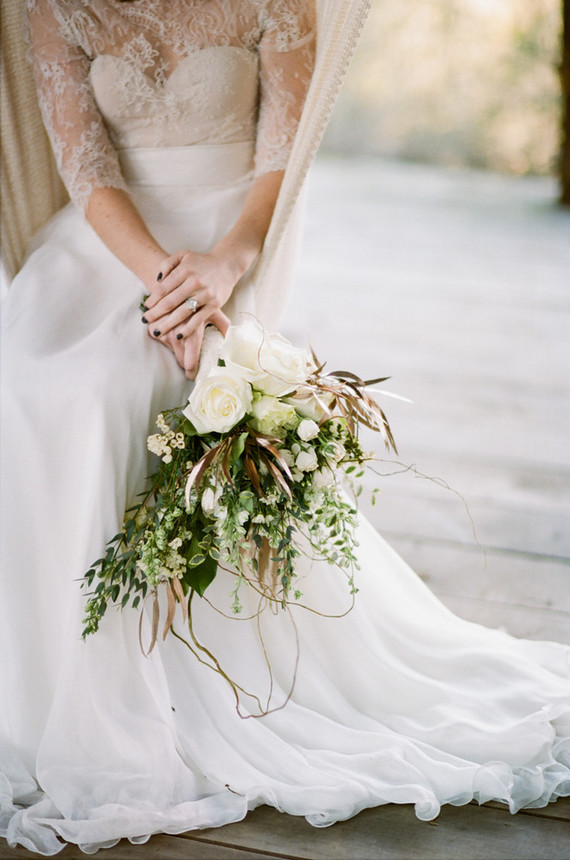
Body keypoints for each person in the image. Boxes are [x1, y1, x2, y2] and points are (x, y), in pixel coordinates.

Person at [1, 1, 568, 855]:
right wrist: (166, 283)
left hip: (231, 233)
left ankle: (171, 683)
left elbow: (281, 162)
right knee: (45, 380)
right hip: (114, 245)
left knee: (121, 388)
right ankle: (51, 690)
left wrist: (219, 270)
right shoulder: (54, 8)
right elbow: (88, 172)